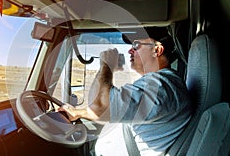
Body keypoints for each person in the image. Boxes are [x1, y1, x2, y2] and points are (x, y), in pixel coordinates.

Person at [58, 27, 192, 156]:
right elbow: (103, 106)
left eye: (136, 45)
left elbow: (99, 107)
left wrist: (107, 66)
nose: (130, 51)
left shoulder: (161, 86)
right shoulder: (160, 84)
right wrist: (78, 113)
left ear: (157, 50)